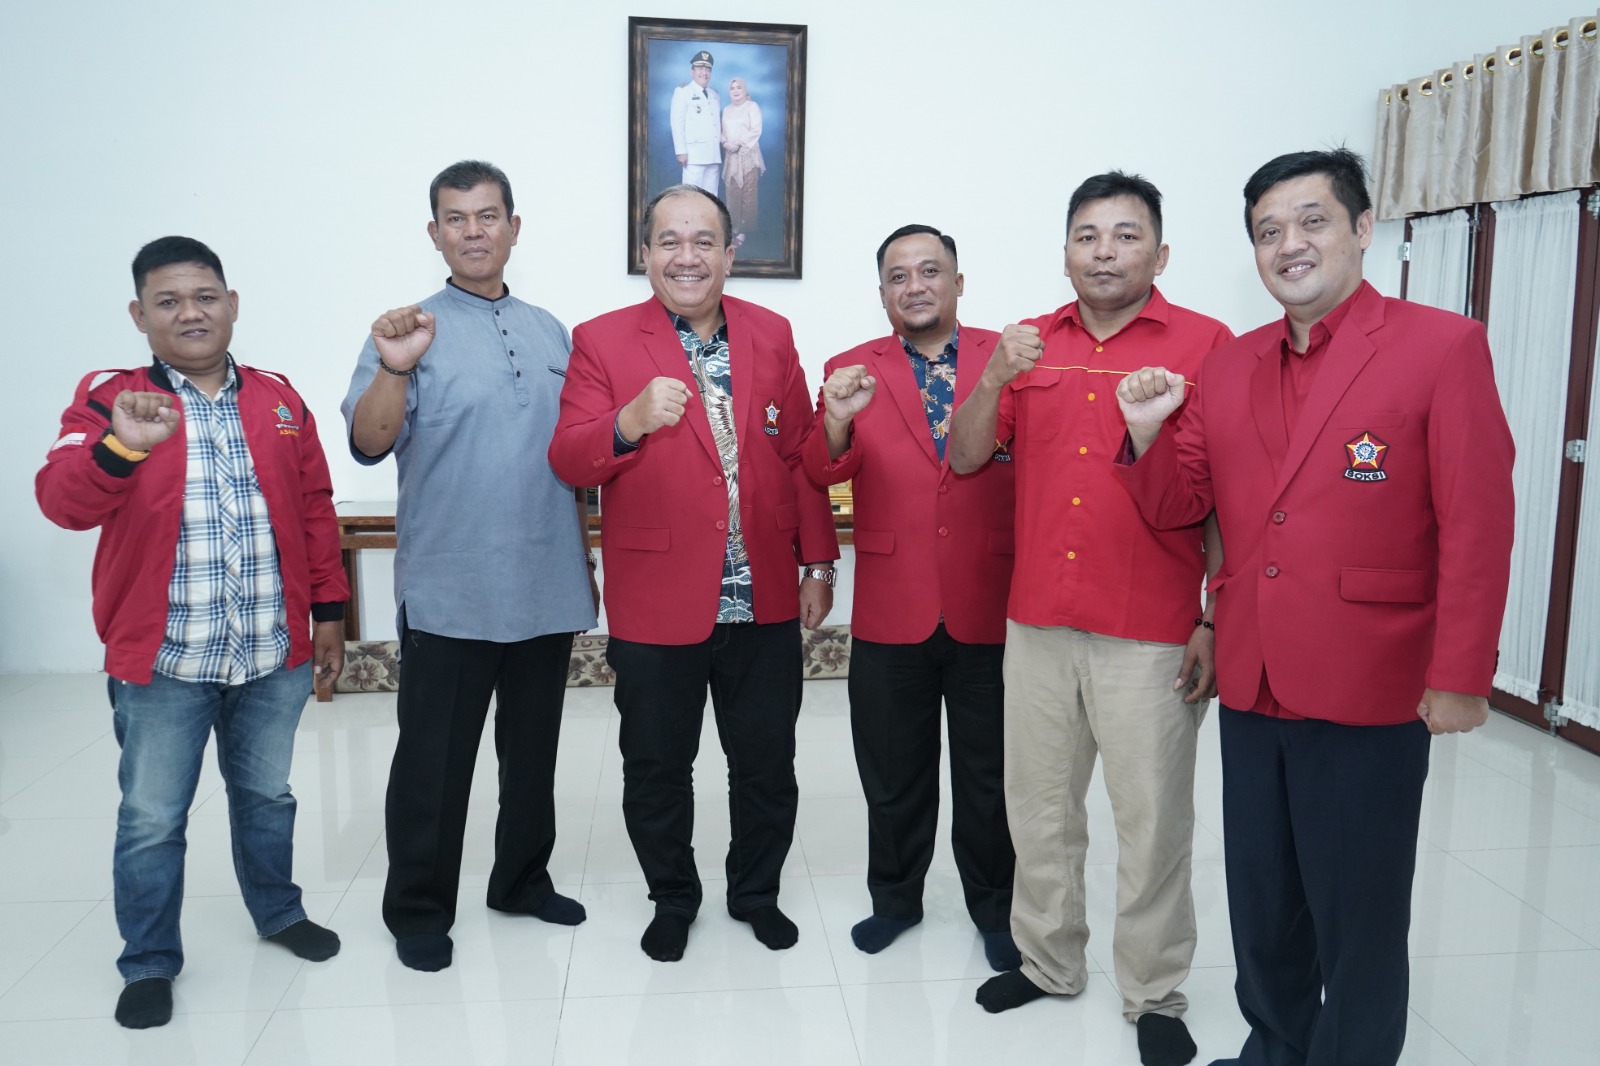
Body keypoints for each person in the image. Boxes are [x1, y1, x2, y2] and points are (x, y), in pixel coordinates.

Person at [1114, 148, 1515, 1066]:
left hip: (1372, 681)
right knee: (1264, 900)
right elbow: (1183, 507)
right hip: (1254, 677)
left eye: (1312, 221)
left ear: (1363, 228)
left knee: (1359, 914)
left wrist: (1460, 675)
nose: (1288, 244)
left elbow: (1478, 524)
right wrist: (1143, 436)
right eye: (1267, 231)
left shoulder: (1442, 346)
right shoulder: (1231, 365)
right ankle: (1274, 1049)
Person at [948, 172, 1231, 1066]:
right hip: (1037, 620)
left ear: (1161, 253)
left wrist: (1214, 618)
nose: (1104, 252)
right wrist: (993, 374)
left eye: (1125, 235)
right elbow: (965, 457)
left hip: (1149, 631)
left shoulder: (1206, 346)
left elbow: (1222, 499)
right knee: (1038, 808)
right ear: (1065, 252)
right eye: (1087, 236)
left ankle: (1154, 992)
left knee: (1152, 822)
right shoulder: (1029, 345)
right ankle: (1047, 960)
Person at [36, 236, 348, 1029]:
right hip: (165, 662)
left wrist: (330, 613)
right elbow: (61, 501)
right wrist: (120, 448)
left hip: (270, 652)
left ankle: (278, 912)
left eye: (205, 296)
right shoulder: (113, 399)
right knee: (153, 818)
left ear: (232, 304)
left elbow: (315, 509)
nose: (190, 313)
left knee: (267, 796)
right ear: (139, 315)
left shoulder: (278, 399)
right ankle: (148, 960)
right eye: (168, 301)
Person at [549, 184, 837, 963]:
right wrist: (627, 422)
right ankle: (673, 897)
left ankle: (756, 893)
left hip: (762, 596)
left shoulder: (771, 333)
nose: (687, 256)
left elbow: (801, 455)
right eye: (669, 241)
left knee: (766, 765)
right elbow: (569, 457)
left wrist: (818, 561)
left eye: (704, 240)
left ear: (730, 253)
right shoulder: (602, 340)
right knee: (656, 769)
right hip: (657, 599)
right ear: (645, 254)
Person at [341, 160, 597, 973]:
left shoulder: (553, 332)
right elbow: (369, 442)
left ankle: (521, 881)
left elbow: (578, 455)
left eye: (488, 216)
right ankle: (419, 909)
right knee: (434, 763)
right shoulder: (406, 331)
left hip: (545, 581)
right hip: (450, 587)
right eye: (456, 218)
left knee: (533, 756)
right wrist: (395, 365)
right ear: (435, 233)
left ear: (514, 228)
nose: (474, 231)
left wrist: (594, 552)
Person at [802, 224, 1019, 970]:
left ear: (959, 283)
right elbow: (820, 471)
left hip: (991, 600)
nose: (915, 286)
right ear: (883, 293)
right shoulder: (850, 369)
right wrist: (835, 418)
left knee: (990, 777)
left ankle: (996, 909)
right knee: (893, 774)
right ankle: (895, 900)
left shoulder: (1007, 360)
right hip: (893, 606)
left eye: (930, 271)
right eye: (899, 276)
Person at [720, 76, 764, 246]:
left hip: (747, 156)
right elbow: (722, 132)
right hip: (731, 156)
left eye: (739, 87)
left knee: (748, 192)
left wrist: (738, 143)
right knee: (732, 192)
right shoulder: (726, 110)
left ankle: (744, 231)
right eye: (732, 88)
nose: (736, 91)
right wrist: (725, 143)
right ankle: (733, 228)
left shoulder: (752, 106)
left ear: (745, 90)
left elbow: (756, 130)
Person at [671, 50, 722, 195]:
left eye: (708, 69)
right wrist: (681, 151)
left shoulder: (714, 94)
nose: (704, 73)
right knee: (691, 197)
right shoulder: (683, 92)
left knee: (712, 198)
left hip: (713, 155)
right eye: (700, 68)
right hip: (694, 156)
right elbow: (677, 122)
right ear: (692, 71)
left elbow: (716, 124)